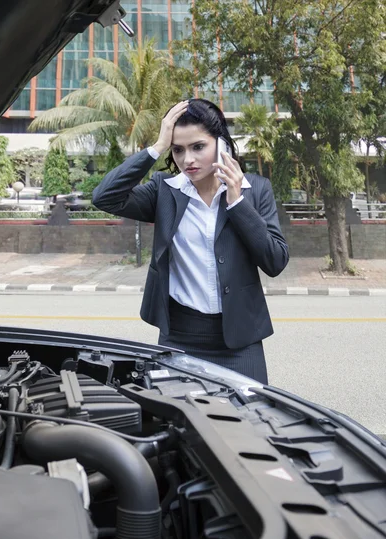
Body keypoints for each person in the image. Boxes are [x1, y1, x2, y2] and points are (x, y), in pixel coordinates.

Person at [93, 99, 289, 384]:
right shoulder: (165, 191)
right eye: (178, 150)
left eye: (198, 147)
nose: (188, 160)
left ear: (221, 145)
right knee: (180, 423)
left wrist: (237, 202)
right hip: (180, 338)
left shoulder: (256, 191)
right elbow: (104, 197)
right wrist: (157, 146)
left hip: (240, 340)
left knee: (247, 424)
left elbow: (275, 261)